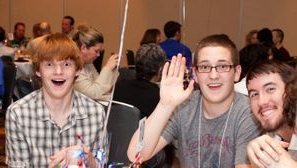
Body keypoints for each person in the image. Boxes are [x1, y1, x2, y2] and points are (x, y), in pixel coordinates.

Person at [127, 34, 262, 167]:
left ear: (237, 72)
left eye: (222, 66)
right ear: (195, 74)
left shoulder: (249, 112)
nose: (213, 75)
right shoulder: (184, 107)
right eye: (204, 67)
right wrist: (165, 105)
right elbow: (135, 154)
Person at [5, 33, 105, 167]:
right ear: (38, 71)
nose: (58, 71)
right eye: (49, 64)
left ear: (78, 70)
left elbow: (101, 163)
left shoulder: (96, 113)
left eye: (66, 64)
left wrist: (89, 160)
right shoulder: (18, 114)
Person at [245, 60, 297, 168]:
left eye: (270, 89)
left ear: (291, 90)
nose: (261, 102)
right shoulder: (270, 140)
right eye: (254, 94)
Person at [73, 25, 118, 100]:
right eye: (96, 51)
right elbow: (94, 94)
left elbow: (103, 88)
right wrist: (107, 68)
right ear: (83, 48)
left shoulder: (88, 64)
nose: (98, 55)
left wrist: (112, 70)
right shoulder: (73, 67)